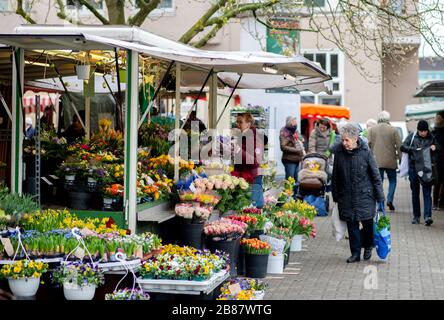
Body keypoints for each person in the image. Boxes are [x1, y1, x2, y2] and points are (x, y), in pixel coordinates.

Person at [331, 123, 384, 263]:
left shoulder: (366, 153)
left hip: (365, 195)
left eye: (347, 140)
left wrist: (380, 197)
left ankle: (368, 246)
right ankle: (355, 253)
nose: (344, 143)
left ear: (355, 139)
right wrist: (335, 195)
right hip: (346, 196)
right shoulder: (339, 154)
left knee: (367, 224)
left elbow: (375, 176)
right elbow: (335, 176)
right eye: (342, 140)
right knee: (352, 225)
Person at [401, 120, 438, 226]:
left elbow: (438, 149)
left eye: (424, 131)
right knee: (415, 193)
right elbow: (402, 147)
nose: (422, 133)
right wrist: (415, 150)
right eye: (421, 131)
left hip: (426, 168)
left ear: (427, 130)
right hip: (414, 167)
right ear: (417, 130)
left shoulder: (432, 137)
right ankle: (416, 216)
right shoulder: (412, 136)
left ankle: (428, 216)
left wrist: (435, 148)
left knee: (427, 192)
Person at [368, 111, 402, 211]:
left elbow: (368, 145)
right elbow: (399, 145)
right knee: (392, 181)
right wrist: (400, 159)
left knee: (379, 182)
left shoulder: (372, 129)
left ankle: (381, 204)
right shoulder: (393, 130)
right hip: (391, 160)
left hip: (376, 161)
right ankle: (390, 199)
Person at [231, 113, 266, 208]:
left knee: (252, 207)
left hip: (253, 177)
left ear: (248, 124)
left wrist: (238, 150)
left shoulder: (255, 138)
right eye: (237, 122)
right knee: (245, 207)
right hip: (243, 175)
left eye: (240, 122)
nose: (238, 124)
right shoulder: (242, 136)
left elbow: (255, 162)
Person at [279, 116, 305, 181]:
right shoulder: (284, 131)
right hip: (289, 159)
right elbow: (283, 147)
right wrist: (296, 150)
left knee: (296, 180)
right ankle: (288, 191)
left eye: (295, 121)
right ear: (289, 122)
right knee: (290, 180)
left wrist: (301, 139)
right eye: (293, 121)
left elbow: (301, 140)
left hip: (297, 159)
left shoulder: (295, 131)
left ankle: (295, 191)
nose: (295, 122)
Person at [432, 111, 444, 210]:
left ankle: (435, 203)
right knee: (441, 183)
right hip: (440, 160)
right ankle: (440, 203)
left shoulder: (433, 132)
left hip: (436, 160)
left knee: (437, 182)